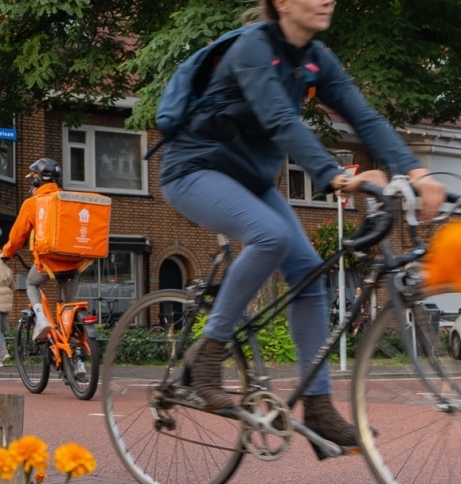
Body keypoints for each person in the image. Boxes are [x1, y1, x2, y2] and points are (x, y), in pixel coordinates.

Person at [158, 0, 445, 452]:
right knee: (269, 236)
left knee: (309, 274)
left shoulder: (316, 57)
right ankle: (206, 357)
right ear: (283, 3)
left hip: (251, 180)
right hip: (193, 170)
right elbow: (279, 119)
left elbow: (365, 118)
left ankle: (318, 406)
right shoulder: (253, 47)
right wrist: (334, 175)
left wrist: (417, 172)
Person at [2, 158, 82, 343]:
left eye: (32, 179)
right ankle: (76, 357)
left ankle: (42, 319)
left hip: (48, 262)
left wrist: (6, 253)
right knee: (67, 308)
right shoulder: (68, 200)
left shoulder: (33, 203)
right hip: (73, 262)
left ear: (37, 180)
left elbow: (17, 237)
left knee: (31, 284)